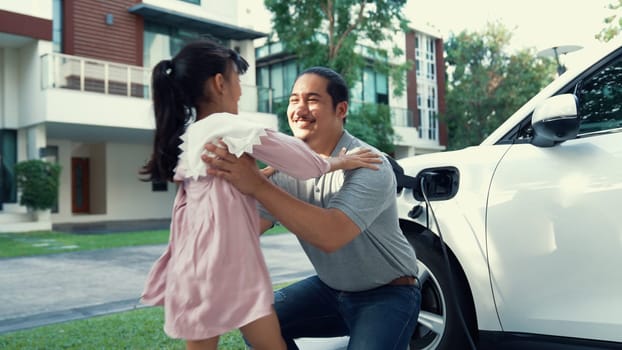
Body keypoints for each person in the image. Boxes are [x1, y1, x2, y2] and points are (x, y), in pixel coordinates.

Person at [139, 41, 381, 350]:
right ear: (219, 83)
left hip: (193, 265)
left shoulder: (194, 136)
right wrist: (341, 161)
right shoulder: (232, 127)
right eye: (237, 80)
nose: (240, 91)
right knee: (270, 344)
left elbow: (219, 190)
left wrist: (260, 175)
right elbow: (301, 161)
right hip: (230, 264)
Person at [203, 66, 421, 350]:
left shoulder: (369, 163)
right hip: (330, 290)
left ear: (341, 109)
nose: (300, 109)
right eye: (294, 100)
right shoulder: (282, 172)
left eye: (312, 100)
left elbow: (330, 235)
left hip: (389, 293)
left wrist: (257, 185)